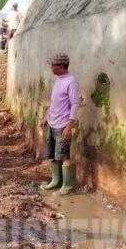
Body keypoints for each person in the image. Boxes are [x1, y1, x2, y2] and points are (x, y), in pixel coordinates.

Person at [41, 53, 80, 195]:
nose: (51, 68)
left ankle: (68, 186)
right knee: (54, 154)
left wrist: (69, 127)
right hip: (53, 122)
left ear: (61, 67)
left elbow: (75, 104)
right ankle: (56, 181)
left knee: (64, 155)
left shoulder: (71, 82)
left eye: (53, 66)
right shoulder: (58, 80)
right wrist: (47, 117)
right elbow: (55, 102)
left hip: (63, 124)